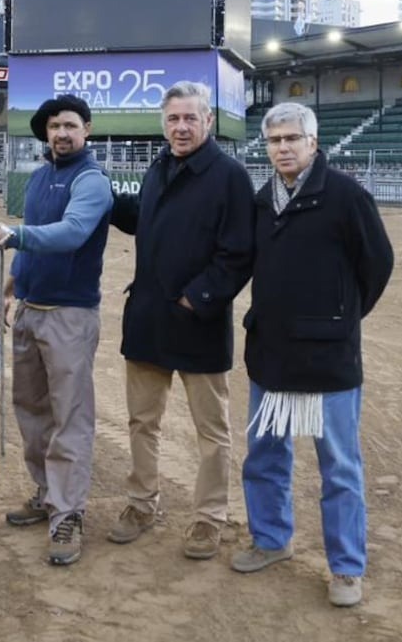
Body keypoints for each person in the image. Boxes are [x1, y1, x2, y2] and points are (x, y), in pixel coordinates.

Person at [231, 101, 394, 608]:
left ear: (313, 143)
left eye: (291, 139)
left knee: (339, 466)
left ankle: (346, 568)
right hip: (272, 357)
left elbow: (378, 265)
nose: (282, 148)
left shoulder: (346, 197)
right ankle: (271, 539)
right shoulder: (262, 201)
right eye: (274, 141)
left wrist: (342, 318)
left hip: (329, 362)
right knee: (265, 455)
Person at [106, 80, 255, 561]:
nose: (182, 126)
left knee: (211, 431)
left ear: (208, 121)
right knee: (141, 422)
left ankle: (210, 518)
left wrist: (197, 299)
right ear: (163, 123)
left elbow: (238, 254)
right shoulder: (159, 167)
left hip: (199, 322)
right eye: (173, 119)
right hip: (148, 318)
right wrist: (102, 197)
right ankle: (141, 504)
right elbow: (147, 221)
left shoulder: (230, 176)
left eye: (191, 118)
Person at [0, 94, 112, 566]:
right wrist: (14, 281)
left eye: (70, 125)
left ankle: (68, 514)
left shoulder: (92, 181)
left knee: (69, 418)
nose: (62, 133)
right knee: (31, 411)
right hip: (32, 311)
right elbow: (35, 234)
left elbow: (72, 232)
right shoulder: (39, 178)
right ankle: (46, 493)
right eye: (55, 126)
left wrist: (16, 237)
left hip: (70, 317)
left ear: (87, 129)